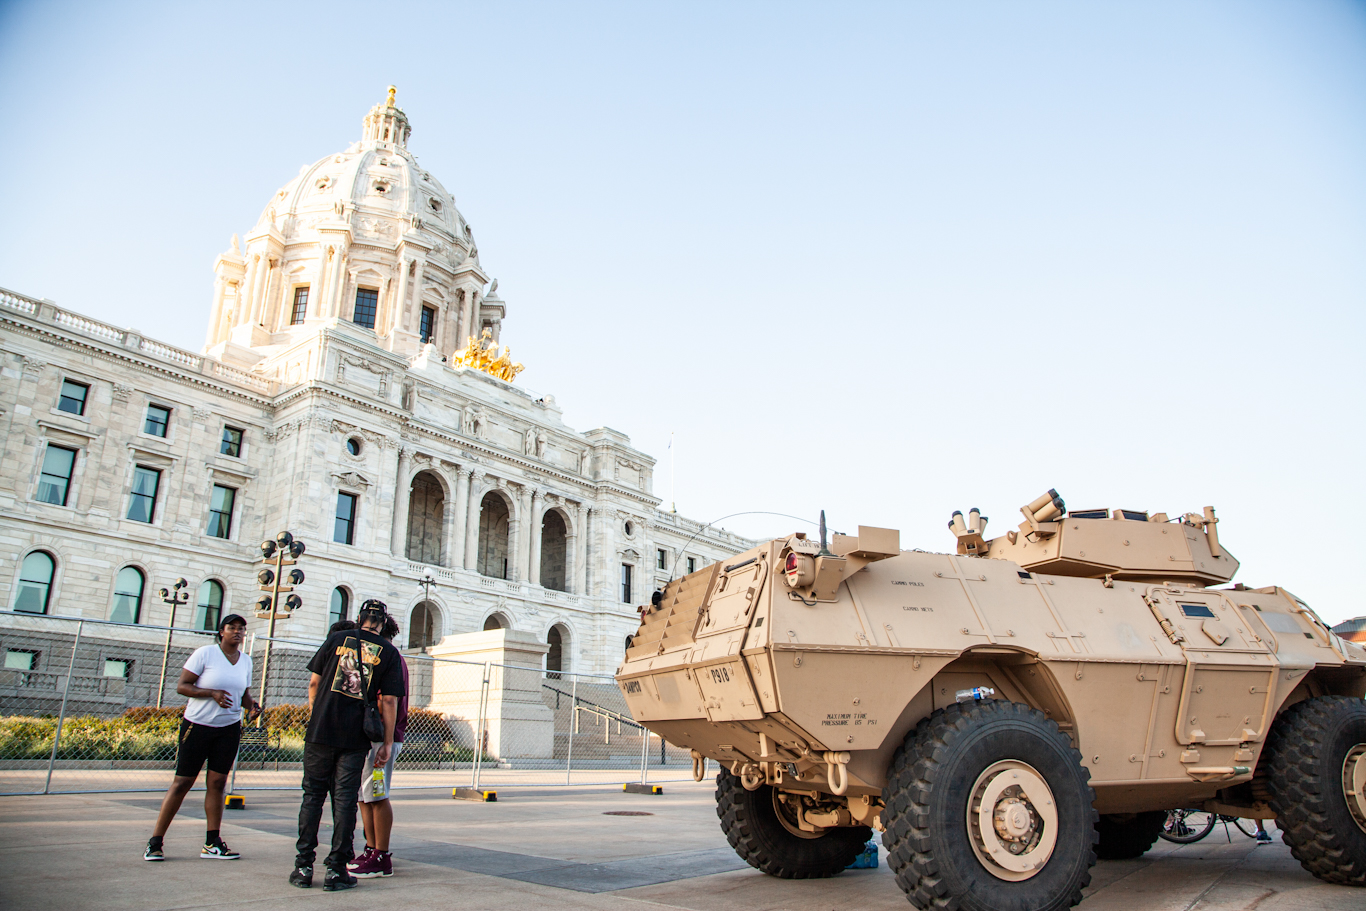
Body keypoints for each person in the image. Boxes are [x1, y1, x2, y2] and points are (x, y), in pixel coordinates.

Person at [291, 600, 403, 891]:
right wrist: (387, 743)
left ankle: (303, 867)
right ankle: (336, 869)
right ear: (382, 623)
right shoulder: (389, 652)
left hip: (320, 731)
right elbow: (390, 701)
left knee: (312, 797)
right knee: (345, 801)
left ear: (359, 618)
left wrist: (319, 715)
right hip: (355, 737)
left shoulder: (337, 639)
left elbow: (314, 684)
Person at [144, 614, 260, 861]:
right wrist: (211, 693)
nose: (237, 632)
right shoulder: (205, 654)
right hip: (197, 726)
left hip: (228, 728)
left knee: (217, 784)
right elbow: (183, 686)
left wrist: (252, 707)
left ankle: (212, 842)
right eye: (232, 628)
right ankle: (155, 842)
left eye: (241, 629)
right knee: (182, 783)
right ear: (221, 632)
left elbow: (243, 694)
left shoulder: (246, 661)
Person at [349, 615, 409, 878]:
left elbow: (389, 701)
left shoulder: (390, 658)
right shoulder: (377, 657)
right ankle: (372, 849)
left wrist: (385, 741)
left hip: (382, 739)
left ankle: (381, 855)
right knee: (365, 797)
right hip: (370, 738)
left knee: (377, 793)